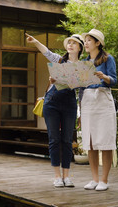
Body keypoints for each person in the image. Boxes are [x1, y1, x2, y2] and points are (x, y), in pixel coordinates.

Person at [26, 33, 84, 188]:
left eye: (74, 43)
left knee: (66, 140)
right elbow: (47, 53)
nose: (70, 45)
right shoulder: (60, 60)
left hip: (70, 104)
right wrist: (36, 41)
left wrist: (81, 113)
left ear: (80, 48)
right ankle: (57, 177)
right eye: (69, 42)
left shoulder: (82, 66)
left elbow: (80, 89)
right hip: (52, 102)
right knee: (54, 139)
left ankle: (67, 176)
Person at [79, 29, 117, 191]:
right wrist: (80, 110)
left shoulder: (108, 59)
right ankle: (94, 179)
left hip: (103, 99)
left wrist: (104, 77)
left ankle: (104, 180)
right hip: (87, 101)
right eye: (85, 40)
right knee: (90, 142)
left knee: (106, 142)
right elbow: (80, 86)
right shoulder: (83, 63)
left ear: (97, 43)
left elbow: (114, 80)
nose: (85, 43)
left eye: (89, 40)